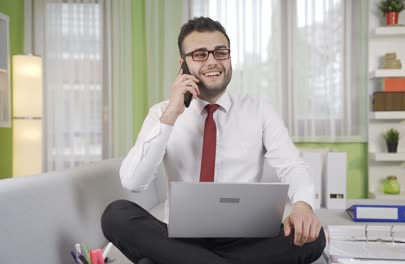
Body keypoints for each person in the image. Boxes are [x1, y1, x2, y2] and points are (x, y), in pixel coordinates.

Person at [101, 17, 326, 264]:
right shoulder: (162, 113)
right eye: (199, 54)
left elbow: (292, 166)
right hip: (180, 239)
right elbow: (133, 181)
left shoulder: (259, 110)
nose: (212, 61)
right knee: (116, 215)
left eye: (220, 52)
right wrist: (172, 113)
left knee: (314, 236)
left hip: (248, 240)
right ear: (182, 65)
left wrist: (303, 206)